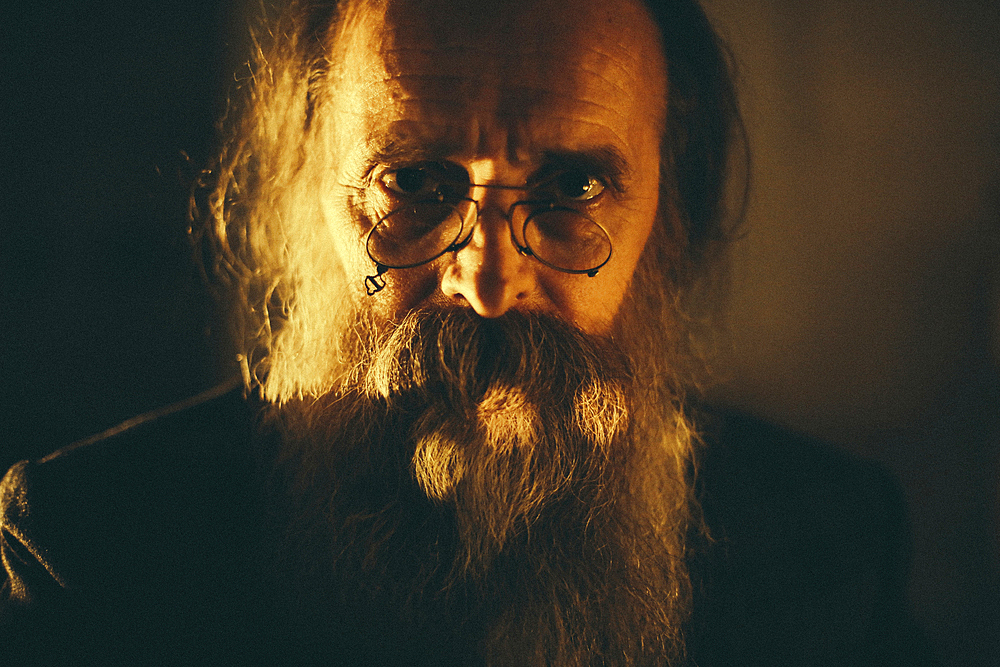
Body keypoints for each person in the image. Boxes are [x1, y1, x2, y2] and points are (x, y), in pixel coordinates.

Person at [0, 0, 936, 664]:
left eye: (572, 186)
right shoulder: (95, 542)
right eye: (413, 181)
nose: (487, 281)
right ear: (308, 185)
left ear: (665, 207)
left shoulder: (832, 545)